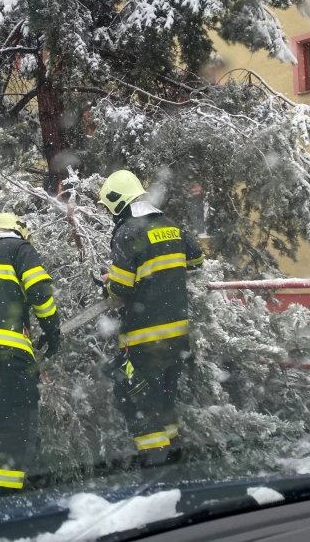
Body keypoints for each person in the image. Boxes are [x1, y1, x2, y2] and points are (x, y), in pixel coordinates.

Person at [98, 170, 204, 468]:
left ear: (118, 202)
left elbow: (121, 286)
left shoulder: (127, 232)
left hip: (145, 338)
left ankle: (157, 476)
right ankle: (177, 467)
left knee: (141, 406)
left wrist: (107, 280)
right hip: (177, 335)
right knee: (166, 404)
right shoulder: (170, 225)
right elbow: (196, 259)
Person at [0, 213, 61, 500]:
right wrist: (52, 331)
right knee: (14, 424)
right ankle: (5, 505)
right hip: (10, 351)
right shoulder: (18, 248)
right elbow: (40, 290)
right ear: (17, 230)